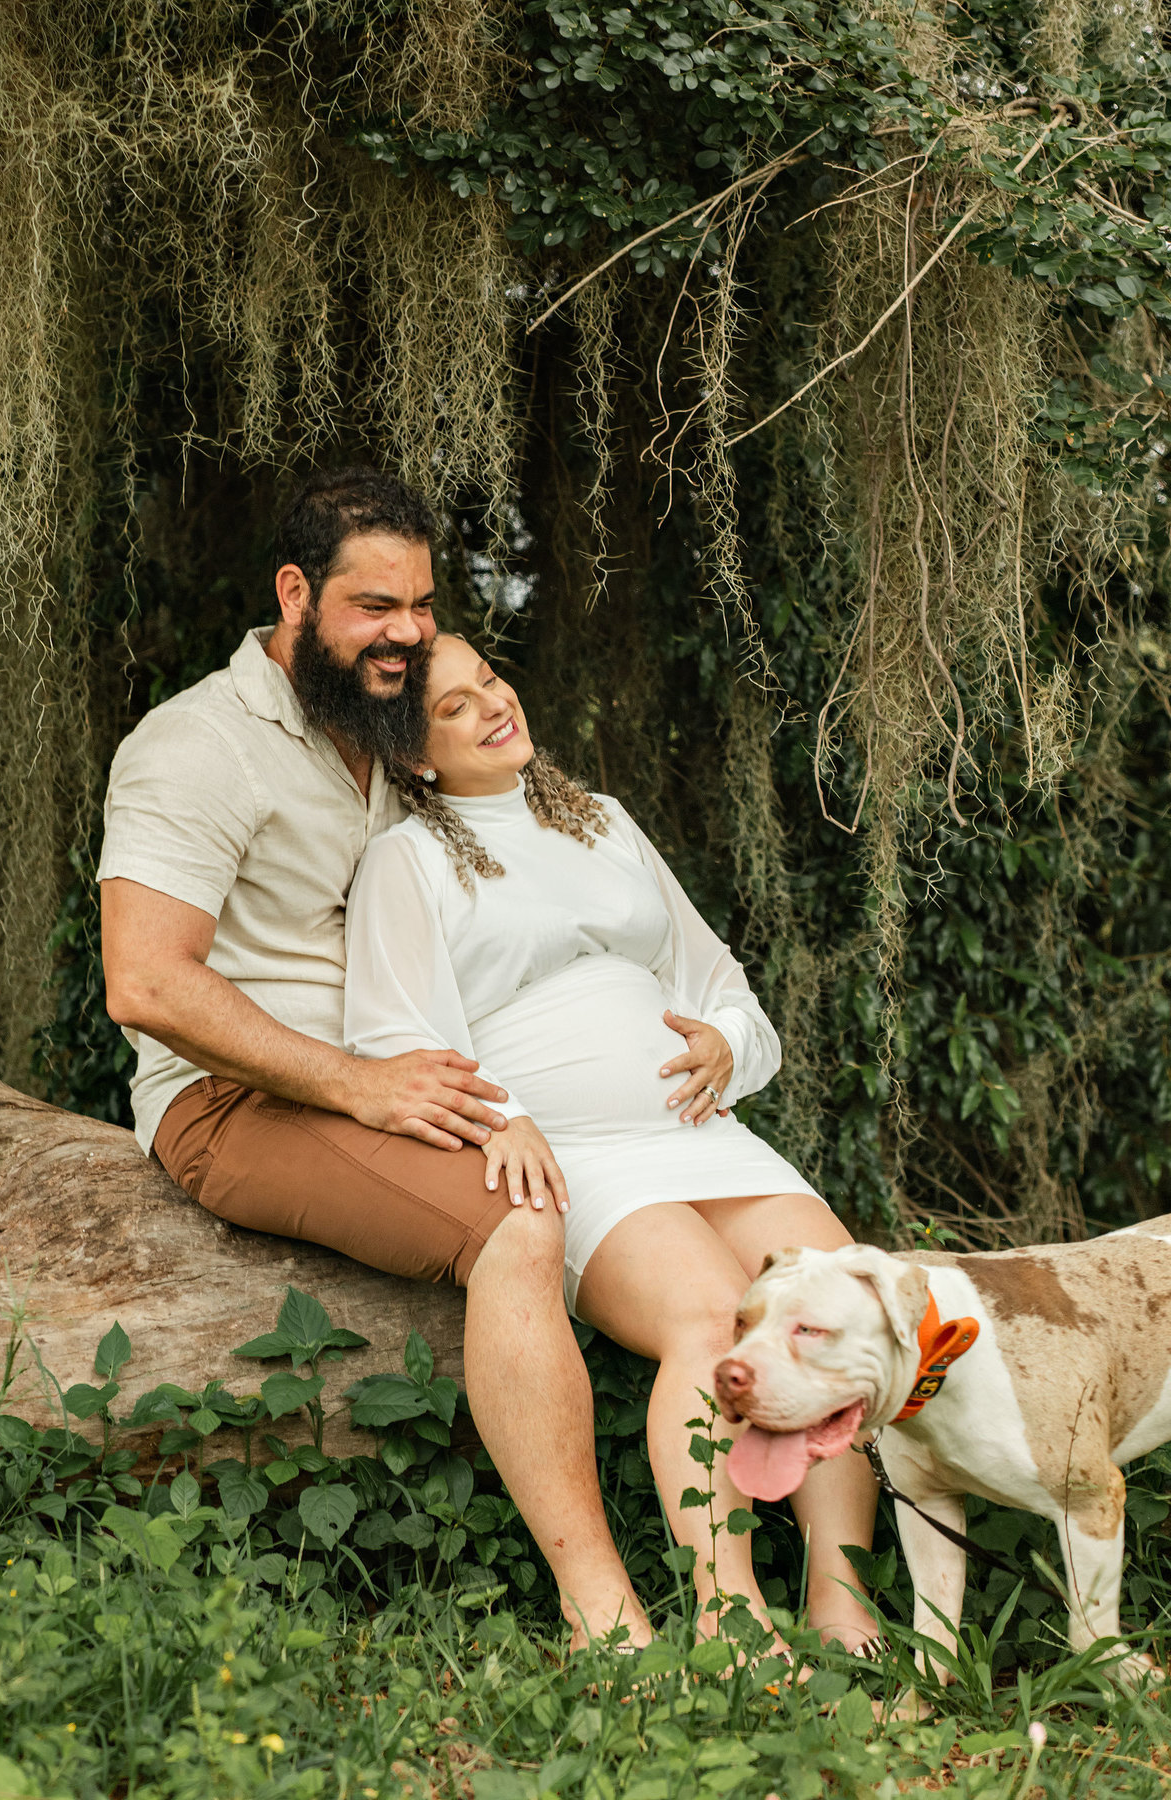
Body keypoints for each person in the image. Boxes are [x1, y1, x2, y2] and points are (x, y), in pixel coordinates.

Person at [97, 466, 653, 1652]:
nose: (407, 632)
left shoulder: (387, 736)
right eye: (374, 606)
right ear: (295, 594)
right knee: (518, 1225)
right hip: (235, 1101)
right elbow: (144, 981)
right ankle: (604, 1616)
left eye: (423, 604)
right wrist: (360, 1083)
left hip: (395, 1077)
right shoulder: (197, 746)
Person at [343, 631, 879, 1651]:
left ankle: (840, 1600)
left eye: (489, 679)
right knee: (712, 1318)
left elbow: (716, 978)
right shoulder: (404, 861)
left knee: (841, 1304)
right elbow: (394, 1035)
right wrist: (504, 1117)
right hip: (574, 1151)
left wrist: (727, 1041)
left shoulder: (604, 819)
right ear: (414, 756)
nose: (492, 704)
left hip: (700, 1130)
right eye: (454, 707)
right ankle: (731, 1620)